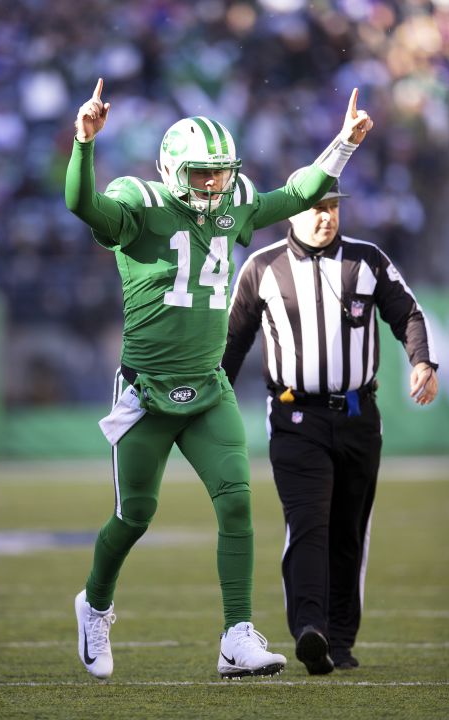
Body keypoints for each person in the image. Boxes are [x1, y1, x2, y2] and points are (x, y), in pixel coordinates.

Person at [64, 77, 374, 680]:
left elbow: (295, 193)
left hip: (208, 388)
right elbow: (83, 204)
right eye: (201, 173)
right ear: (172, 170)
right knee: (135, 515)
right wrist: (84, 143)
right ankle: (94, 604)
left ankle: (236, 636)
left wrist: (343, 145)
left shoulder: (235, 203)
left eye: (221, 172)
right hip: (148, 392)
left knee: (236, 503)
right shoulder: (138, 203)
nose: (213, 184)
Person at [221, 173, 439, 675]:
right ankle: (309, 630)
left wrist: (422, 362)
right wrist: (215, 403)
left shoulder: (367, 260)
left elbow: (407, 312)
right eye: (315, 207)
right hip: (296, 418)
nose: (326, 216)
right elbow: (232, 344)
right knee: (308, 522)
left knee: (349, 531)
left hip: (360, 415)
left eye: (333, 206)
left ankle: (339, 641)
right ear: (292, 210)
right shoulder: (261, 267)